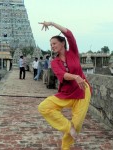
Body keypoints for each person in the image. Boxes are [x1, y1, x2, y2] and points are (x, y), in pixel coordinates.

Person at [38, 21, 91, 150]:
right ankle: (68, 127)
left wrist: (52, 23)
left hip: (82, 91)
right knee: (44, 107)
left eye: (54, 43)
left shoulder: (73, 52)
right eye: (51, 45)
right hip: (66, 92)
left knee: (77, 124)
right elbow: (62, 75)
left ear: (62, 43)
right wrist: (75, 76)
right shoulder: (54, 61)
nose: (52, 46)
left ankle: (65, 147)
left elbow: (69, 34)